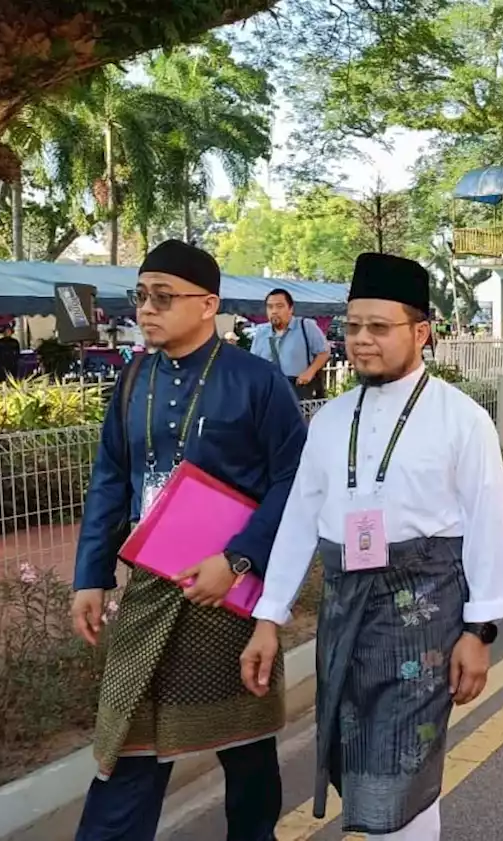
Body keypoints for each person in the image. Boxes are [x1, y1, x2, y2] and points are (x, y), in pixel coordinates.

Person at [240, 253, 503, 841]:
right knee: (363, 763)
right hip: (345, 616)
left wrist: (479, 631)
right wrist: (269, 616)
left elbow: (487, 525)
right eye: (353, 326)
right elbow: (299, 520)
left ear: (421, 332)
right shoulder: (331, 421)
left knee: (402, 766)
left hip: (425, 619)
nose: (361, 341)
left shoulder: (463, 421)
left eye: (379, 328)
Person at [71, 240, 306, 841]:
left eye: (162, 297)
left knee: (246, 749)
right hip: (150, 591)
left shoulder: (257, 382)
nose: (145, 309)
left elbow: (293, 481)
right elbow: (109, 480)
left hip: (228, 600)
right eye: (140, 295)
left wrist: (238, 558)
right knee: (128, 742)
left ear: (208, 305)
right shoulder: (130, 381)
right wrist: (90, 575)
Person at [250, 288, 331, 401]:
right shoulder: (261, 332)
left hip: (298, 389)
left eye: (279, 306)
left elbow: (324, 352)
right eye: (270, 307)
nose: (274, 311)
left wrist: (309, 372)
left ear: (290, 309)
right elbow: (254, 362)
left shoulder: (306, 326)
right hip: (269, 392)